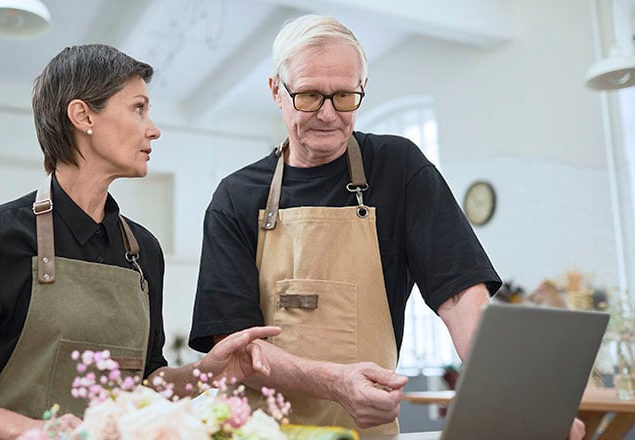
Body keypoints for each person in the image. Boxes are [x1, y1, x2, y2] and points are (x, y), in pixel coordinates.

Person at [188, 15, 585, 440]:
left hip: (367, 431)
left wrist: (523, 400)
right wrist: (335, 382)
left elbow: (461, 299)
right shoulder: (236, 197)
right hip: (261, 432)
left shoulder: (400, 169)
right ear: (276, 92)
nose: (327, 114)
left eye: (344, 96)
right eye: (308, 95)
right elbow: (234, 346)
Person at [0, 44, 280, 439]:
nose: (154, 128)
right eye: (138, 108)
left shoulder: (143, 251)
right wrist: (32, 432)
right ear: (82, 116)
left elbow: (145, 382)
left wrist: (203, 373)